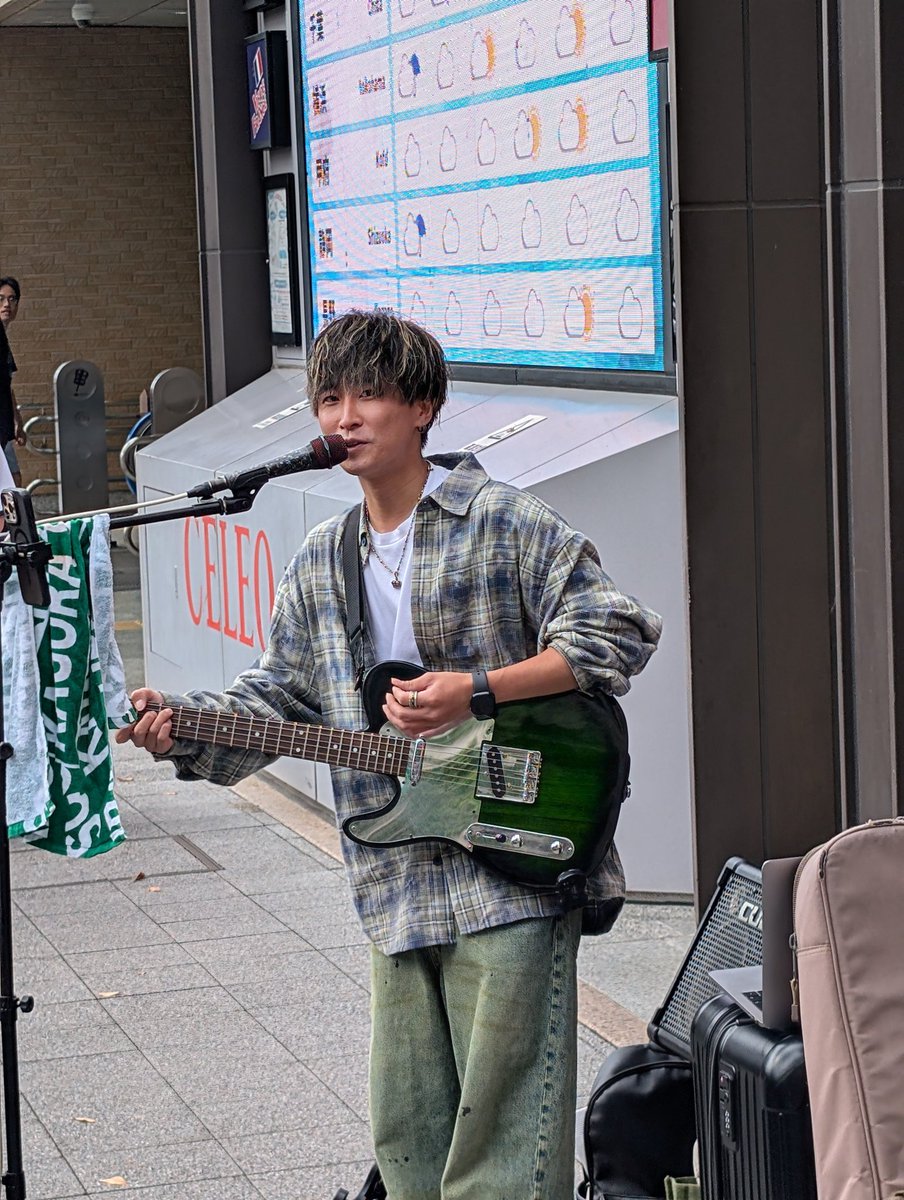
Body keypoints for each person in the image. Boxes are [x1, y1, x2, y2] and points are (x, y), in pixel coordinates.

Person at [116, 310, 662, 1199]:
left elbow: (618, 630)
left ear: (425, 407)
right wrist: (185, 724)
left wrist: (476, 690)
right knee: (408, 1143)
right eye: (329, 398)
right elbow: (278, 700)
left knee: (505, 1154)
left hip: (510, 860)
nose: (345, 417)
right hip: (393, 876)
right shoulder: (322, 560)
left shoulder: (502, 522)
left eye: (370, 393)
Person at [0, 278, 26, 486]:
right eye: (0, 299)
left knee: (13, 483)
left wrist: (16, 419)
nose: (6, 304)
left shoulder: (3, 337)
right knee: (12, 485)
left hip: (4, 421)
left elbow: (6, 383)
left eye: (11, 299)